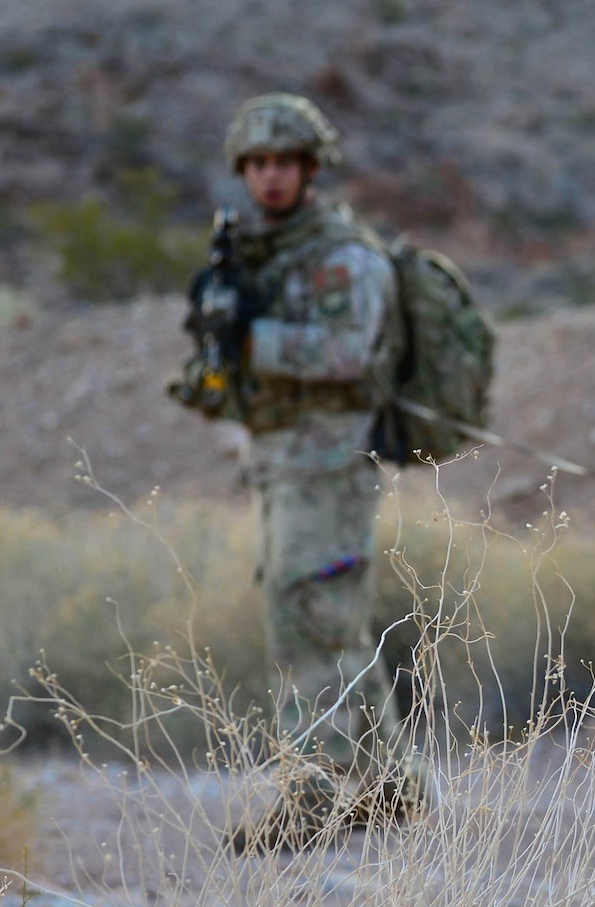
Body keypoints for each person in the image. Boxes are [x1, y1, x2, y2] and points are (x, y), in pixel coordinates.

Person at [174, 93, 416, 849]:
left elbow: (351, 350)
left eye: (284, 163)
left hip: (332, 457)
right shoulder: (258, 253)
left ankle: (309, 799)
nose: (271, 177)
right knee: (326, 619)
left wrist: (254, 336)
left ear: (310, 168)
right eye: (258, 164)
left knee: (303, 620)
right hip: (283, 458)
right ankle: (391, 786)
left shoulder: (343, 254)